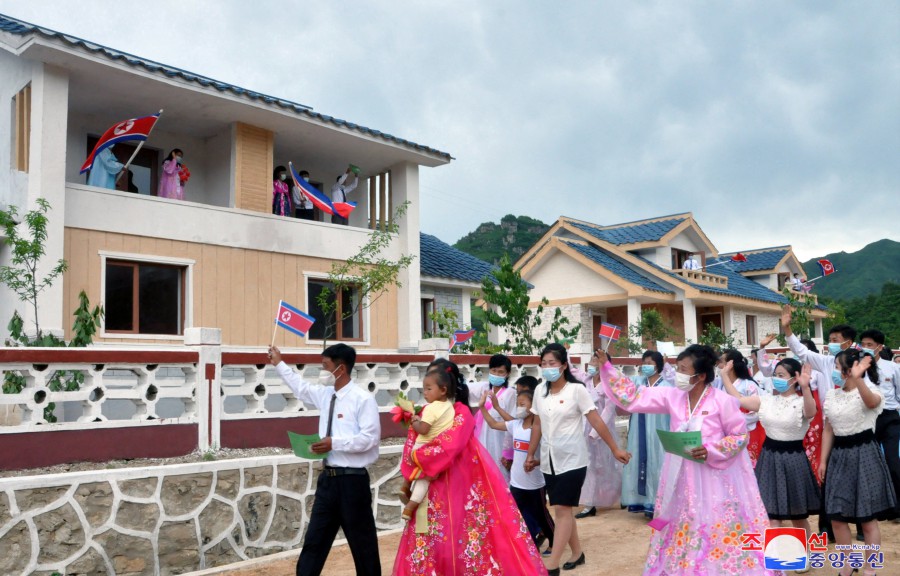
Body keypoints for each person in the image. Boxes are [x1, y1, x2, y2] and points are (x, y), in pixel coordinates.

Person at [598, 344, 775, 575]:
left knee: (716, 524)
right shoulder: (673, 396)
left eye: (684, 369)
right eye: (678, 368)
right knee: (684, 522)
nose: (679, 374)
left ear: (700, 376)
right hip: (680, 477)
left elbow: (740, 436)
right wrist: (608, 368)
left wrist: (711, 449)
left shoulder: (723, 401)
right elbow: (634, 397)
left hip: (714, 478)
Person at [392, 358, 546, 576]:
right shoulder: (427, 410)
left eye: (431, 384)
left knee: (458, 534)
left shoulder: (461, 412)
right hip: (430, 485)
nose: (426, 390)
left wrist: (418, 456)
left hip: (457, 484)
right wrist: (415, 454)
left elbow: (447, 447)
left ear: (445, 386)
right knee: (428, 537)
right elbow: (413, 439)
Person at [268, 344, 381, 576]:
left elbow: (369, 439)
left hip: (353, 482)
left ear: (341, 368)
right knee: (314, 543)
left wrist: (334, 443)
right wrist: (279, 362)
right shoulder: (326, 395)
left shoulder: (362, 399)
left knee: (363, 547)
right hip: (328, 481)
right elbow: (300, 388)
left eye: (326, 366)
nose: (323, 371)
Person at [524, 344, 631, 575]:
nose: (547, 368)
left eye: (552, 363)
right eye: (543, 363)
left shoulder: (576, 390)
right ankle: (577, 553)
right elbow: (537, 424)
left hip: (573, 460)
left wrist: (614, 449)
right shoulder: (540, 391)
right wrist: (531, 454)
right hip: (549, 459)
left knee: (562, 509)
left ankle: (552, 563)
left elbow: (595, 420)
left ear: (563, 365)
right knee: (563, 509)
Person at [820, 350, 897, 576]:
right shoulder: (831, 395)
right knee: (837, 518)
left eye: (837, 367)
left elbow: (872, 403)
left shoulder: (872, 390)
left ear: (850, 369)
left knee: (867, 520)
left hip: (865, 455)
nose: (834, 371)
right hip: (839, 456)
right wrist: (823, 460)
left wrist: (859, 378)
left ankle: (870, 568)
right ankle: (847, 564)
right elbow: (828, 429)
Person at [722, 358, 820, 535]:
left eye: (781, 375)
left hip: (793, 459)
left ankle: (804, 553)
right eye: (775, 375)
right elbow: (738, 399)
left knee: (798, 515)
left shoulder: (801, 402)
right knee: (771, 514)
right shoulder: (765, 400)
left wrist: (805, 388)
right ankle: (774, 556)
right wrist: (724, 376)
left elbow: (811, 411)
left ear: (795, 379)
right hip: (769, 458)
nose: (777, 378)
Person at [479, 389, 555, 553]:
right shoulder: (515, 425)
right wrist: (484, 408)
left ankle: (553, 541)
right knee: (516, 515)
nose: (519, 407)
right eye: (517, 404)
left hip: (535, 483)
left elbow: (550, 454)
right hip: (516, 482)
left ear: (532, 407)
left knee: (541, 515)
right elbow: (493, 424)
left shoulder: (539, 429)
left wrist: (536, 462)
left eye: (522, 404)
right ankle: (528, 545)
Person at [618, 350, 674, 519]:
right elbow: (619, 385)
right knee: (639, 461)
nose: (645, 366)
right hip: (639, 430)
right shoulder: (637, 383)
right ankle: (644, 502)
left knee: (659, 463)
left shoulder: (667, 387)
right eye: (644, 362)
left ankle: (660, 504)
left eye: (650, 362)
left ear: (658, 365)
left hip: (659, 431)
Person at [571, 351, 625, 519]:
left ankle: (621, 496)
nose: (592, 363)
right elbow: (571, 369)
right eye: (591, 359)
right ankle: (589, 503)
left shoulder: (609, 384)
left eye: (596, 360)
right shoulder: (586, 379)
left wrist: (596, 432)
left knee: (608, 464)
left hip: (603, 429)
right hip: (585, 427)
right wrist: (565, 350)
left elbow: (609, 410)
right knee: (589, 465)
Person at [400, 367, 456, 521]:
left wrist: (415, 421)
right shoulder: (450, 407)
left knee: (422, 477)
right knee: (425, 479)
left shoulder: (431, 408)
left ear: (443, 390)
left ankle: (407, 493)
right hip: (433, 450)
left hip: (421, 448)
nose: (425, 392)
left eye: (429, 389)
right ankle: (409, 503)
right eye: (424, 389)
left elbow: (423, 430)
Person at [860, 329, 900, 516]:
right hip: (867, 418)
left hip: (889, 417)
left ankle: (897, 507)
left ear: (879, 347)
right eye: (863, 344)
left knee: (893, 462)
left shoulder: (893, 368)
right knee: (872, 464)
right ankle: (877, 507)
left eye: (870, 345)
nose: (866, 348)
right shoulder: (857, 369)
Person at [714, 349, 763, 466]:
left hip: (748, 430)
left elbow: (757, 411)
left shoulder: (749, 385)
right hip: (726, 432)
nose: (719, 365)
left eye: (722, 361)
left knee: (748, 464)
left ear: (730, 365)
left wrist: (735, 420)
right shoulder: (720, 383)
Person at [474, 354, 517, 482]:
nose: (496, 374)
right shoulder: (484, 390)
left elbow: (513, 424)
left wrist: (508, 453)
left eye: (500, 372)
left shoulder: (511, 394)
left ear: (507, 374)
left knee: (501, 479)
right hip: (483, 441)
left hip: (500, 445)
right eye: (493, 370)